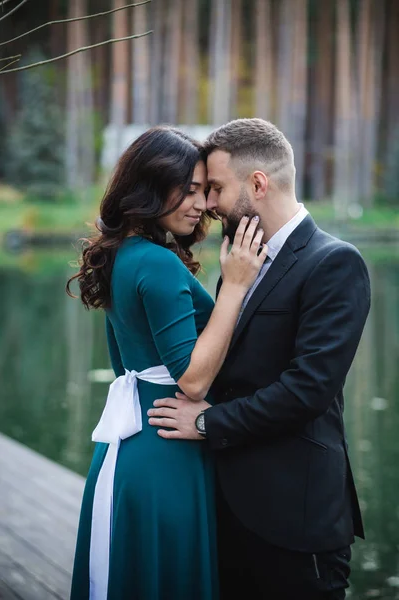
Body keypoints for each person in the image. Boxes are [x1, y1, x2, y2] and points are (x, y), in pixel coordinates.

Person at [148, 118, 371, 600]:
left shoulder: (334, 263)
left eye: (216, 189)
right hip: (227, 510)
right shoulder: (239, 260)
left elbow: (308, 389)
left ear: (257, 183)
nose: (208, 204)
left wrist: (207, 423)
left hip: (296, 519)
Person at [66, 125, 267, 600]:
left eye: (206, 190)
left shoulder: (124, 254)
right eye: (191, 190)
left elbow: (124, 362)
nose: (202, 204)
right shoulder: (156, 263)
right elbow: (193, 381)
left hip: (135, 445)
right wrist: (235, 286)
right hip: (166, 453)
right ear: (152, 186)